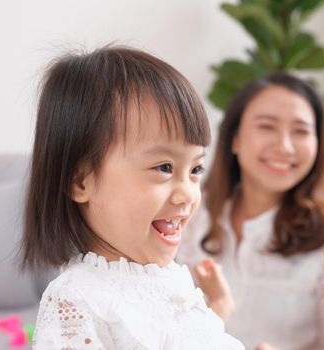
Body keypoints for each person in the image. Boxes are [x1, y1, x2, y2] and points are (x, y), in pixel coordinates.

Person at [19, 46, 244, 349]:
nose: (188, 194)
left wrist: (218, 305)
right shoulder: (77, 300)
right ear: (80, 180)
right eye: (164, 167)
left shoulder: (168, 279)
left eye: (196, 169)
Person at [178, 73, 324, 350]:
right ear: (234, 139)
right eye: (267, 126)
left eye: (301, 131)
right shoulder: (189, 212)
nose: (285, 146)